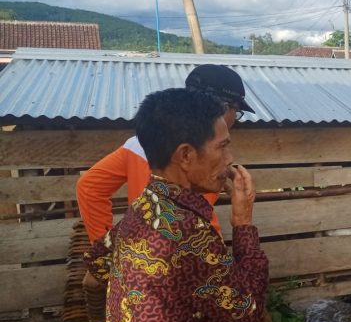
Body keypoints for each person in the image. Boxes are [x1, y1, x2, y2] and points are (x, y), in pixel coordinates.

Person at [83, 88, 268, 322]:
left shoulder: (142, 209)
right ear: (185, 155)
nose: (229, 160)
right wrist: (244, 224)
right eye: (222, 147)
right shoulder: (188, 233)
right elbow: (246, 311)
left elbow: (97, 261)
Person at [76, 64, 255, 243]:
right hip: (195, 251)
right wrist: (243, 224)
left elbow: (89, 187)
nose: (235, 119)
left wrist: (104, 244)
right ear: (221, 108)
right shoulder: (201, 155)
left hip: (143, 251)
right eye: (236, 111)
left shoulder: (141, 143)